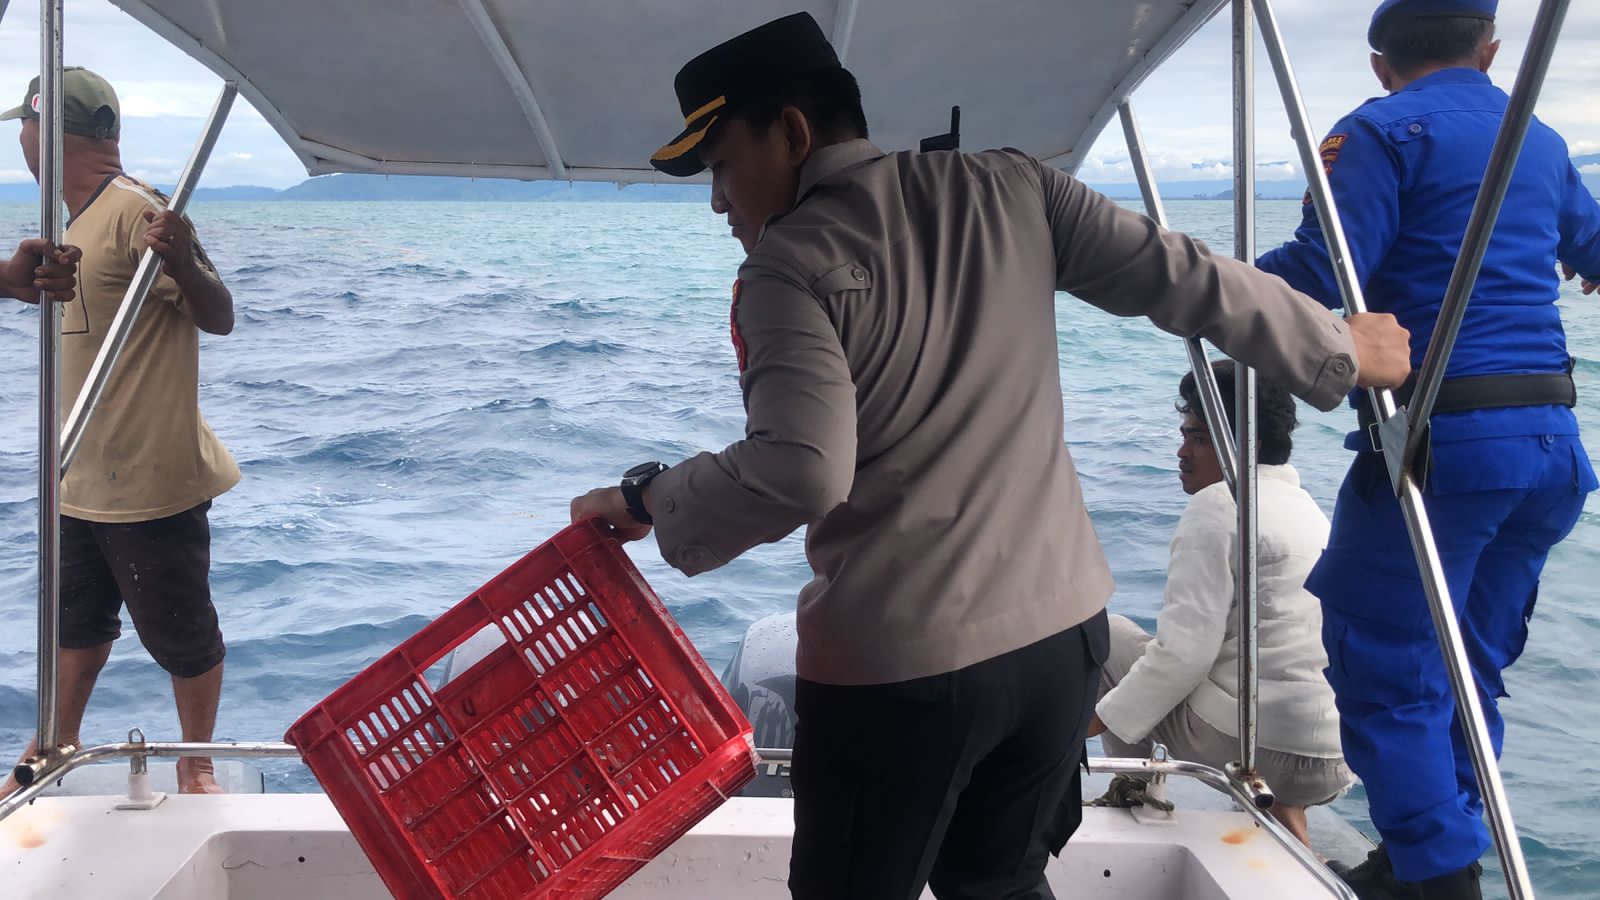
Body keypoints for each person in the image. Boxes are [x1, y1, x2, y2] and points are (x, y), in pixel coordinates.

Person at [569, 12, 1412, 899]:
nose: (717, 200)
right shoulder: (1014, 187)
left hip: (899, 668)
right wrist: (1336, 346)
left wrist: (649, 496)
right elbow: (1183, 276)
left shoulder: (785, 266)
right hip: (1059, 645)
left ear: (791, 132)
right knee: (1000, 885)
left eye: (721, 165)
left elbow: (801, 471)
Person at [1255, 2, 1600, 898]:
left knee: (1384, 662)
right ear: (1490, 50)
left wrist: (1212, 278)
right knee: (1468, 661)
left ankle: (1439, 879)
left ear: (1380, 64)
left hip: (1443, 448)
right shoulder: (1539, 139)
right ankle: (1426, 850)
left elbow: (1322, 271)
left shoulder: (1378, 133)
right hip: (1550, 448)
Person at [2, 67, 240, 796]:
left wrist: (186, 263)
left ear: (46, 133)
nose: (19, 141)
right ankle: (55, 742)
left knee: (182, 633)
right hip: (79, 473)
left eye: (23, 127)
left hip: (149, 477)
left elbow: (219, 314)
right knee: (75, 624)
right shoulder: (72, 221)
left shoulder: (138, 211)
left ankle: (196, 762)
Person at [1088, 361, 1353, 848]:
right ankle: (1293, 830)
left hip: (1256, 753)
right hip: (1333, 759)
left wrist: (1094, 719)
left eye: (1198, 438)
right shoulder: (1308, 510)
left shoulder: (1218, 506)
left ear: (1244, 444)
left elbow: (1182, 656)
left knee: (1110, 637)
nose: (1181, 452)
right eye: (1184, 436)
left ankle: (1132, 792)